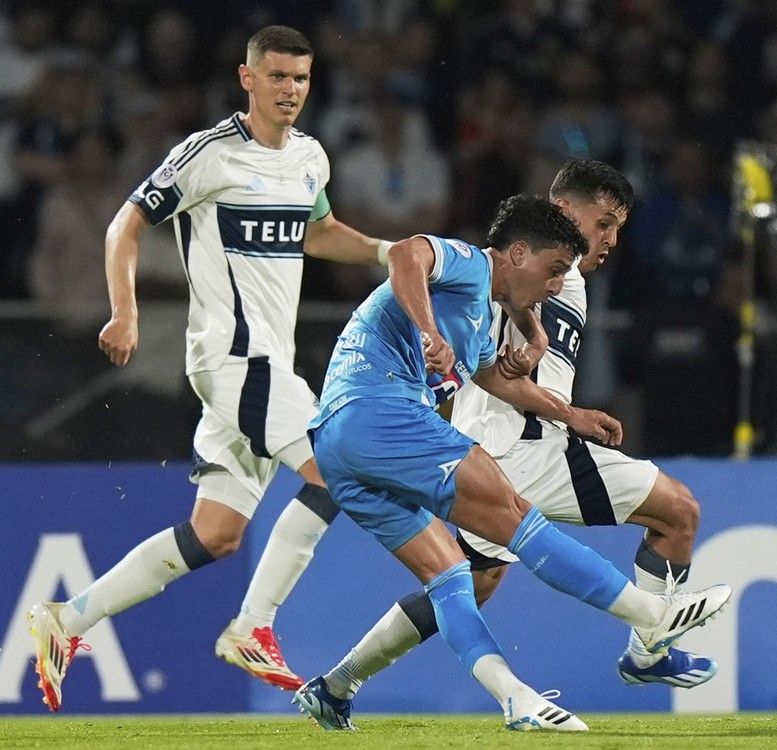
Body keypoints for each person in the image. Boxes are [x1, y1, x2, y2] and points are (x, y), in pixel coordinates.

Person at [25, 25, 401, 713]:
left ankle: (66, 619)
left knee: (217, 535)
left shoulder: (311, 158)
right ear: (247, 78)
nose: (291, 91)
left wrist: (385, 250)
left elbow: (316, 232)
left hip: (266, 367)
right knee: (341, 472)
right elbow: (125, 224)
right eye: (279, 77)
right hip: (234, 361)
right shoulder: (208, 155)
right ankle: (253, 627)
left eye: (302, 79)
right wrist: (126, 312)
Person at [292, 193, 732, 732]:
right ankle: (652, 615)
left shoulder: (479, 322)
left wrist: (570, 413)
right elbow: (406, 253)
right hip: (378, 409)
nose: (555, 285)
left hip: (337, 445)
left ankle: (504, 698)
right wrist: (429, 332)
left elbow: (497, 379)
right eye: (553, 270)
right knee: (518, 517)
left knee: (452, 577)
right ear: (517, 253)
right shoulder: (472, 263)